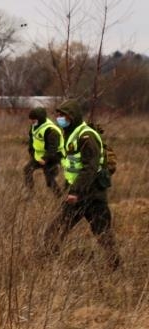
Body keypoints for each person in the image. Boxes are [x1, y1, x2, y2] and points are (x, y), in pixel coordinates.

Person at [45, 99, 120, 270]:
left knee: (102, 234)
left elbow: (90, 167)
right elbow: (71, 163)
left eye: (62, 115)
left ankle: (114, 265)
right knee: (55, 230)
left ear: (72, 116)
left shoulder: (87, 136)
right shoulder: (69, 134)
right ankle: (48, 265)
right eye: (57, 115)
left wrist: (75, 191)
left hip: (93, 194)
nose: (59, 118)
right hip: (77, 194)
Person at [23, 107, 63, 194]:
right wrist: (32, 152)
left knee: (49, 180)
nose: (32, 122)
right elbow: (31, 140)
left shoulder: (51, 130)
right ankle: (30, 192)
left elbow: (53, 148)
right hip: (39, 156)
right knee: (27, 169)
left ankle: (59, 196)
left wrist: (45, 159)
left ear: (40, 119)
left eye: (34, 120)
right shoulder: (34, 126)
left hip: (53, 157)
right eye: (31, 120)